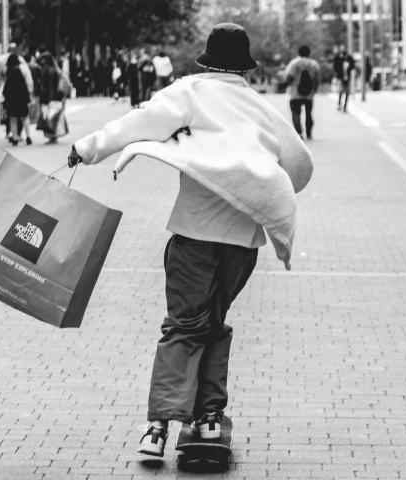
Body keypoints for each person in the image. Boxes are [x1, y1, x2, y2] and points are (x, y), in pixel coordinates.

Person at [66, 23, 314, 457]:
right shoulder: (259, 107)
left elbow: (137, 122)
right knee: (213, 326)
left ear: (207, 58)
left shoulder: (189, 91)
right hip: (242, 243)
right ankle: (208, 420)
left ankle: (158, 426)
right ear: (245, 66)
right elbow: (297, 164)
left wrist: (86, 149)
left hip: (194, 237)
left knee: (183, 326)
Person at [283, 45, 320, 140]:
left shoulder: (294, 63)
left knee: (295, 113)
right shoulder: (314, 64)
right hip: (309, 93)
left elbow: (288, 77)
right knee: (309, 113)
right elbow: (317, 79)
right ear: (309, 53)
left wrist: (287, 85)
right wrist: (314, 90)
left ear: (299, 52)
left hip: (295, 93)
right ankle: (308, 132)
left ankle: (299, 132)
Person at [3, 53, 33, 147]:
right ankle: (28, 136)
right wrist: (30, 94)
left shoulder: (7, 70)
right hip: (22, 97)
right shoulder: (23, 68)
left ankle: (15, 137)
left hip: (11, 98)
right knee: (25, 117)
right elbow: (29, 82)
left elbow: (5, 86)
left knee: (13, 119)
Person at [38, 51, 68, 144]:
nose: (42, 61)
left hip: (50, 97)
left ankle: (52, 136)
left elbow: (49, 86)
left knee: (49, 116)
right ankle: (53, 136)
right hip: (56, 97)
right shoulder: (55, 70)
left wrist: (48, 99)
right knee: (54, 116)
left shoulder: (48, 71)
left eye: (43, 59)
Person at [332, 45, 355, 112]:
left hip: (348, 77)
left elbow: (352, 67)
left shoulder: (349, 58)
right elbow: (335, 67)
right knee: (341, 91)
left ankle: (345, 106)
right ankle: (339, 104)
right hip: (340, 77)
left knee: (347, 92)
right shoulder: (338, 58)